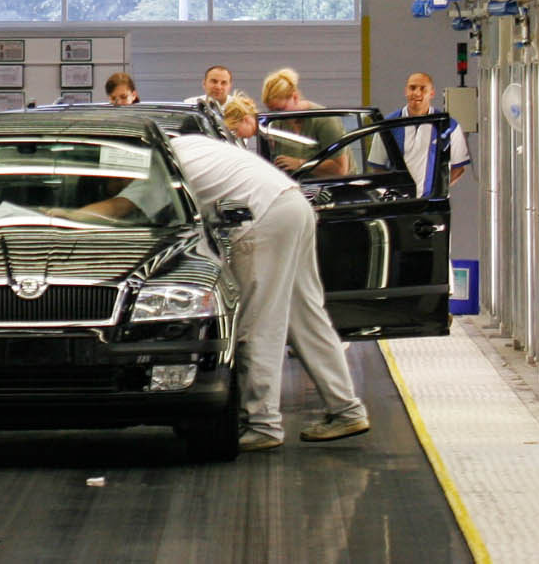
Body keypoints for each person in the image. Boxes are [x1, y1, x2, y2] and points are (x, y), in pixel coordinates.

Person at [62, 133, 372, 450]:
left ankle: (262, 424)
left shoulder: (159, 170)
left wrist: (61, 217)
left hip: (261, 217)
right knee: (306, 316)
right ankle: (346, 409)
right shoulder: (185, 143)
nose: (118, 187)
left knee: (258, 323)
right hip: (291, 203)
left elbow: (116, 209)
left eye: (114, 182)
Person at [383, 71, 470, 196]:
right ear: (406, 91)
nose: (417, 93)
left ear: (432, 93)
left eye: (423, 89)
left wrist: (438, 190)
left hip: (432, 204)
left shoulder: (449, 125)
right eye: (412, 88)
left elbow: (459, 167)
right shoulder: (388, 124)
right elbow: (378, 166)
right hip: (398, 203)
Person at [261, 67, 350, 178]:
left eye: (280, 109)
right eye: (272, 111)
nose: (277, 115)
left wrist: (300, 164)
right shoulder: (276, 123)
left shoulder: (325, 120)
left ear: (295, 97)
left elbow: (340, 169)